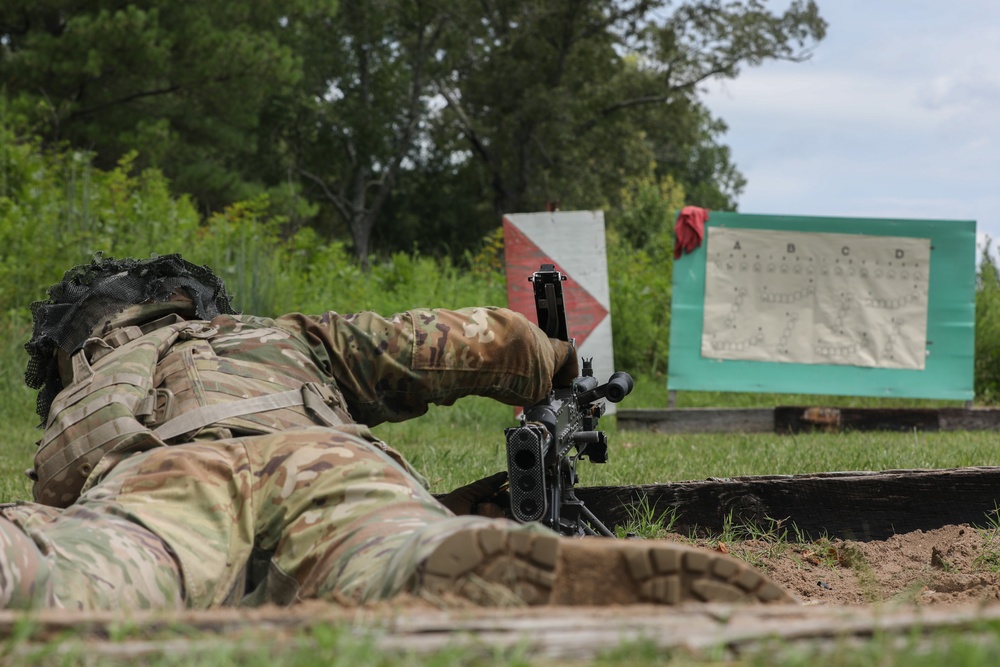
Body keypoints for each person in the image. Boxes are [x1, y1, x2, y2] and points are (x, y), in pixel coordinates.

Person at [0, 254, 793, 611]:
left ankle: (25, 573)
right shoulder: (276, 336)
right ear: (196, 304)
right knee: (393, 546)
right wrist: (553, 361)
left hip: (164, 482)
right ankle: (435, 568)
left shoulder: (87, 395)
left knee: (93, 570)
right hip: (321, 457)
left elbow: (70, 498)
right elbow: (451, 342)